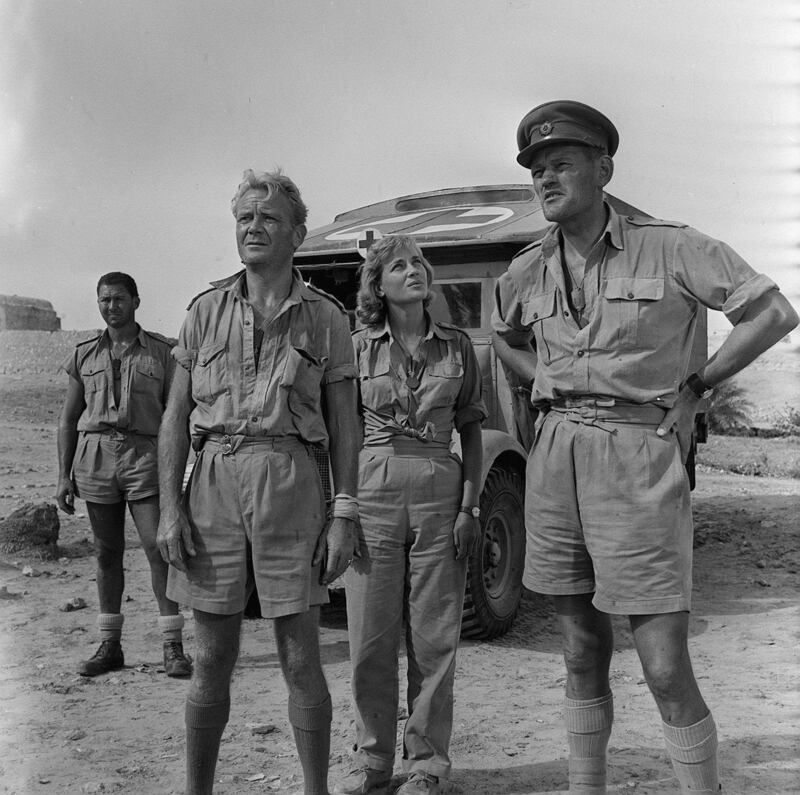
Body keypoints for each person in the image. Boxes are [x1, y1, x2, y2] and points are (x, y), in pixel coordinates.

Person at [492, 100, 799, 795]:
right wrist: (538, 375)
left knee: (662, 663)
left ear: (603, 168)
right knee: (578, 648)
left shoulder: (669, 244)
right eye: (537, 168)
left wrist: (699, 385)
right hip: (556, 453)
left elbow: (772, 312)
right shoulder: (525, 268)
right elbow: (504, 337)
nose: (546, 177)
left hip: (638, 454)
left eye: (561, 162)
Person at [156, 169, 360, 795]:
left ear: (298, 234)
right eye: (245, 217)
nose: (253, 227)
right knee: (211, 658)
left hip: (290, 481)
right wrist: (170, 507)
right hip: (212, 479)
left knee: (301, 657)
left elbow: (344, 424)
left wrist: (345, 511)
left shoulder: (326, 318)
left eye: (268, 218)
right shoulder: (204, 310)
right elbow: (173, 417)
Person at [334, 235, 487, 795]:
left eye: (419, 262)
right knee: (369, 637)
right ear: (378, 285)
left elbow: (472, 427)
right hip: (372, 487)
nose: (413, 271)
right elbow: (342, 431)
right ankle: (373, 762)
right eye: (398, 266)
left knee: (434, 639)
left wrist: (470, 505)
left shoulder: (457, 347)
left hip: (440, 492)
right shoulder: (355, 348)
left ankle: (427, 765)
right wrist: (342, 509)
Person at [56, 272, 191, 678]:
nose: (110, 306)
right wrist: (63, 476)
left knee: (156, 547)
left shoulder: (164, 353)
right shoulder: (84, 354)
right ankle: (109, 645)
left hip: (145, 456)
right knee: (106, 552)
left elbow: (177, 417)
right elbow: (68, 420)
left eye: (118, 299)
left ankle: (173, 646)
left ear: (136, 301)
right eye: (104, 300)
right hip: (96, 458)